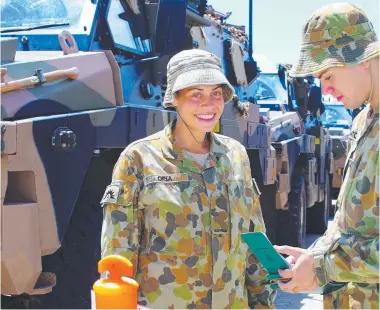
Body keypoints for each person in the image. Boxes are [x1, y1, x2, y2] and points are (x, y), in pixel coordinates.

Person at [100, 49, 276, 309]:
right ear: (174, 99)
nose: (209, 103)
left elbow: (255, 238)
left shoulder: (236, 156)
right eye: (196, 94)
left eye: (216, 93)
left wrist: (264, 302)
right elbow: (118, 255)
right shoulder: (138, 159)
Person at [274, 3, 379, 309]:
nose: (326, 90)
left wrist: (323, 267)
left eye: (329, 75)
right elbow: (349, 221)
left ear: (362, 59)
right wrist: (313, 257)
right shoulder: (363, 122)